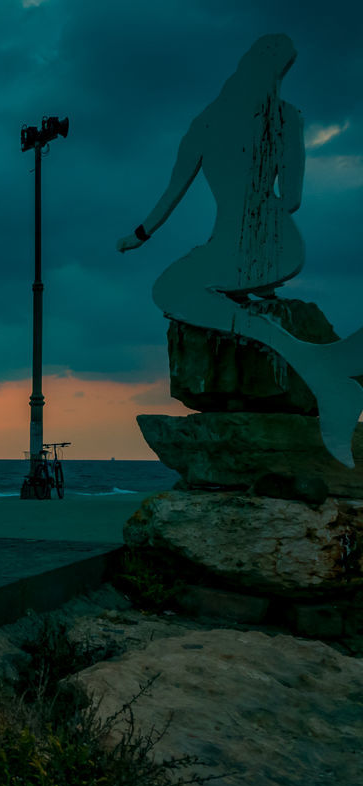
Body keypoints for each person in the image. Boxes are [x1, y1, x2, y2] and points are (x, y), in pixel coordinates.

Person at [116, 33, 363, 467]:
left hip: (239, 244)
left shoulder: (207, 120)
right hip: (276, 243)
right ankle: (315, 360)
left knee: (170, 290)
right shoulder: (286, 117)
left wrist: (140, 234)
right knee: (174, 291)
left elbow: (173, 191)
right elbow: (293, 197)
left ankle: (313, 363)